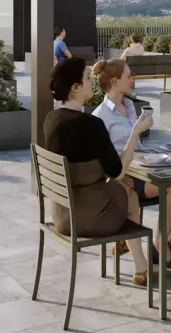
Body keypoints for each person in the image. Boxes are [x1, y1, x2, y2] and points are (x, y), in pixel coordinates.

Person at [42, 57, 152, 286]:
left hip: (62, 217)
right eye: (87, 78)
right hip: (92, 218)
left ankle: (139, 263)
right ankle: (139, 262)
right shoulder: (91, 125)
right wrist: (135, 133)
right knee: (127, 189)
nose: (93, 81)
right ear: (75, 87)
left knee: (123, 188)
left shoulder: (51, 119)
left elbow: (84, 168)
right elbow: (118, 171)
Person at [92, 59, 171, 271]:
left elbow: (138, 146)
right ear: (115, 81)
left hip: (144, 166)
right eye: (128, 76)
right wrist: (136, 133)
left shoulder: (130, 106)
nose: (132, 80)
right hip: (126, 177)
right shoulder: (100, 116)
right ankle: (159, 245)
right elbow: (105, 161)